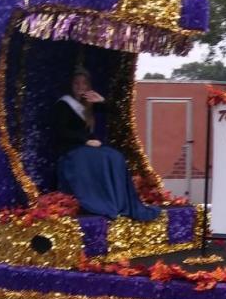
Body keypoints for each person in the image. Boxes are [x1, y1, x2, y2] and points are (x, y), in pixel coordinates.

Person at [53, 68, 160, 221]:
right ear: (71, 85)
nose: (80, 86)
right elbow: (61, 131)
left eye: (84, 83)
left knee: (115, 156)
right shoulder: (63, 105)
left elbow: (116, 111)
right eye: (76, 83)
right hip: (72, 150)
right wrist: (85, 141)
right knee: (106, 158)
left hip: (87, 149)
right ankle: (104, 203)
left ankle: (120, 203)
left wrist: (101, 101)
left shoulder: (87, 104)